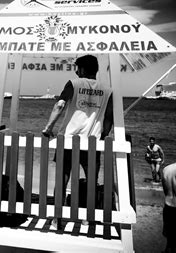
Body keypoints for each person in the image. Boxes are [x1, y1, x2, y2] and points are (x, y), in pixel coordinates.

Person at [41, 55, 113, 228]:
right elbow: (109, 118)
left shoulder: (74, 83)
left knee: (62, 180)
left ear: (82, 69)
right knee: (91, 182)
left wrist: (49, 127)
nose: (75, 71)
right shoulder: (108, 90)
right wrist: (104, 135)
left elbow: (60, 105)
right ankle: (87, 219)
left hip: (68, 140)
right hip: (92, 142)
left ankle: (57, 219)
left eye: (77, 68)